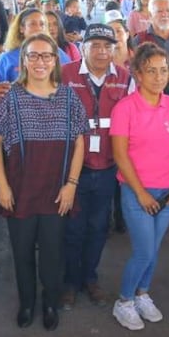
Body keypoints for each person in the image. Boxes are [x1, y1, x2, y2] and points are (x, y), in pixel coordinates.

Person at [0, 33, 86, 330]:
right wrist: (2, 185)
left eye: (46, 56)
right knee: (22, 252)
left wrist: (71, 184)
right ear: (24, 60)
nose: (40, 61)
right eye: (34, 55)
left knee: (52, 253)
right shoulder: (11, 98)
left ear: (55, 60)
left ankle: (50, 302)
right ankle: (27, 302)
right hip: (20, 189)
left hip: (57, 189)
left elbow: (80, 142)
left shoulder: (69, 96)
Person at [110, 43, 169, 331]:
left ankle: (143, 294)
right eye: (151, 71)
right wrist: (141, 192)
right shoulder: (125, 108)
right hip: (135, 191)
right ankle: (124, 301)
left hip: (167, 192)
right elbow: (120, 155)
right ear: (138, 75)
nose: (159, 77)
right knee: (144, 250)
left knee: (153, 249)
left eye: (163, 70)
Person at [60, 25, 132, 309]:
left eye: (107, 46)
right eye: (95, 45)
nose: (102, 52)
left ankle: (90, 278)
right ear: (83, 48)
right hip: (73, 169)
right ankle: (69, 281)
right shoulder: (65, 75)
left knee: (98, 227)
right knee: (72, 228)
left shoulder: (125, 79)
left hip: (107, 169)